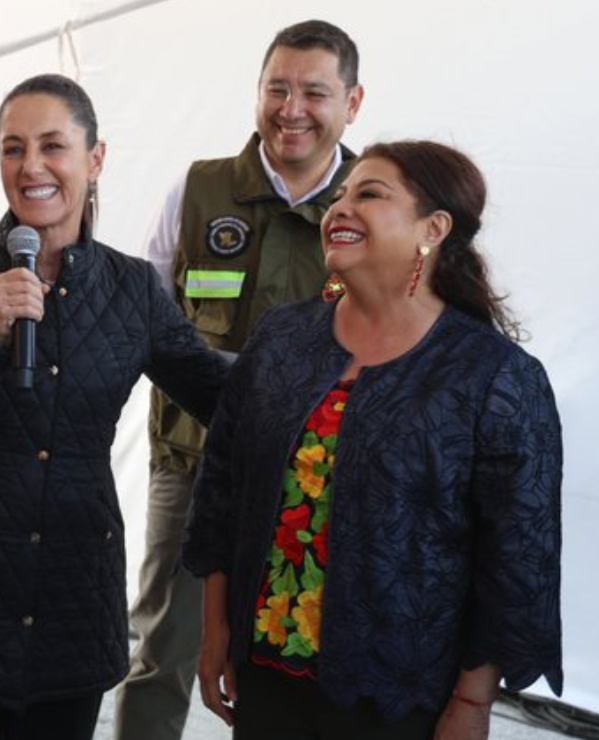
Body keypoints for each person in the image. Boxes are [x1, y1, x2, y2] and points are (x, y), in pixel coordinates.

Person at [0, 73, 229, 740]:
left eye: (52, 146)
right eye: (13, 149)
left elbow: (215, 389)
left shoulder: (132, 290)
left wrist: (325, 359)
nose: (31, 167)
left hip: (73, 599)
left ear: (95, 159)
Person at [183, 140, 563, 739]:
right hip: (267, 672)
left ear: (432, 228)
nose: (340, 208)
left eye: (370, 194)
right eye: (339, 196)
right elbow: (222, 492)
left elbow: (517, 558)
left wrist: (472, 703)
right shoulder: (283, 339)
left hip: (398, 694)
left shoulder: (495, 377)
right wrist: (215, 631)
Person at [116, 19, 364, 740]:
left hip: (324, 476)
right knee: (162, 648)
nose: (292, 109)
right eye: (277, 89)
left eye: (314, 92)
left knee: (297, 653)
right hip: (194, 460)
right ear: (256, 93)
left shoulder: (375, 200)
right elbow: (146, 316)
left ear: (352, 102)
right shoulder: (198, 189)